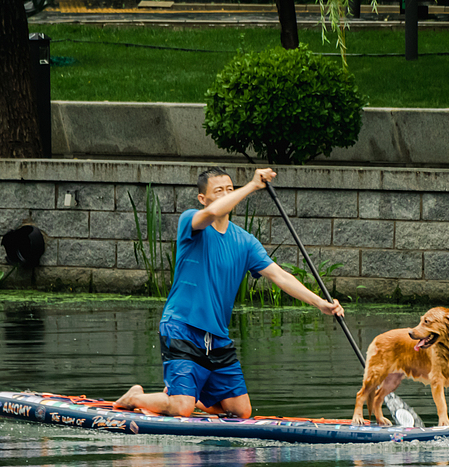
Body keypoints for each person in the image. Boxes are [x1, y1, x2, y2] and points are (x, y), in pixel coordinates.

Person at [116, 167, 344, 418]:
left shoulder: (245, 241)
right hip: (181, 326)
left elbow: (280, 276)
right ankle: (136, 397)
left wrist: (321, 303)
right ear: (202, 198)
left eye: (229, 190)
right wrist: (252, 185)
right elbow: (214, 212)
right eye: (218, 191)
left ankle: (185, 392)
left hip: (218, 337)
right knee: (183, 409)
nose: (226, 195)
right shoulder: (191, 221)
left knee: (241, 411)